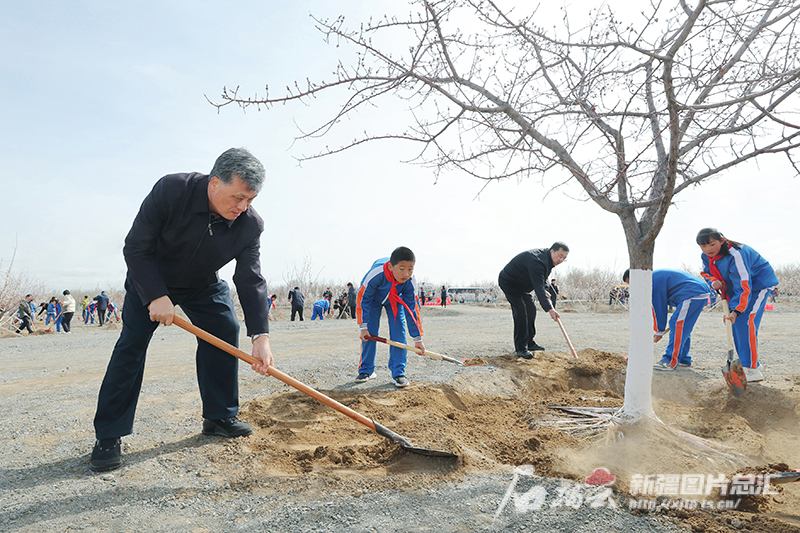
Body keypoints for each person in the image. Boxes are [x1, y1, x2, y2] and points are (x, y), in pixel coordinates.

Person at [89, 147, 274, 473]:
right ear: (214, 183)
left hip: (202, 283)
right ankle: (108, 435)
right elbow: (136, 246)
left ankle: (219, 416)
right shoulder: (172, 190)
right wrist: (156, 295)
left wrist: (260, 335)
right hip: (151, 278)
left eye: (250, 200)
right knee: (131, 345)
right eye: (238, 197)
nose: (243, 207)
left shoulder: (249, 225)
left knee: (225, 329)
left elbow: (250, 279)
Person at [697, 228, 778, 383]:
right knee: (736, 324)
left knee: (745, 322)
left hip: (757, 285)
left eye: (712, 244)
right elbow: (706, 273)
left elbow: (744, 285)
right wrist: (713, 281)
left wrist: (735, 311)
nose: (708, 249)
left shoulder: (736, 254)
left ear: (721, 240)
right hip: (736, 288)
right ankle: (751, 362)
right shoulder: (706, 256)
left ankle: (751, 369)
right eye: (703, 246)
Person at [355, 246, 424, 388]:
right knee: (369, 334)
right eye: (402, 268)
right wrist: (363, 326)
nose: (406, 274)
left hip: (395, 300)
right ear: (391, 267)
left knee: (398, 332)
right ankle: (366, 370)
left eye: (410, 269)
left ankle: (398, 373)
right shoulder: (376, 274)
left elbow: (413, 309)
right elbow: (363, 299)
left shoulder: (410, 281)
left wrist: (418, 339)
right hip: (373, 300)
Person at [623, 269, 710, 371]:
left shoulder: (651, 283)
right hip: (695, 292)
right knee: (682, 326)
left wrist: (659, 331)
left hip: (692, 293)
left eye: (632, 284)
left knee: (678, 325)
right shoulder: (653, 278)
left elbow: (659, 308)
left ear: (638, 278)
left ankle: (669, 361)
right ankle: (683, 358)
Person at [498, 243, 568, 359]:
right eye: (560, 256)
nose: (561, 260)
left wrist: (546, 289)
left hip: (523, 285)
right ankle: (521, 348)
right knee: (521, 311)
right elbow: (538, 286)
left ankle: (529, 342)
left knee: (531, 310)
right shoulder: (537, 260)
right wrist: (550, 309)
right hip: (509, 282)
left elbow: (543, 277)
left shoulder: (548, 260)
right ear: (552, 251)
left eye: (564, 258)